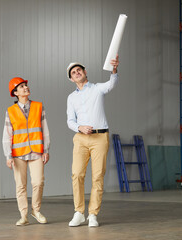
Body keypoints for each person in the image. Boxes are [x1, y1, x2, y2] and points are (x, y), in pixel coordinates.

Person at [66, 55, 119, 227]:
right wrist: (79, 128)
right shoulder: (71, 98)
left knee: (97, 176)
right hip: (81, 139)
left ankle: (93, 214)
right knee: (77, 174)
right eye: (73, 73)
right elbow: (70, 121)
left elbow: (111, 84)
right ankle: (79, 212)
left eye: (79, 70)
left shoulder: (97, 89)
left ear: (85, 72)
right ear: (71, 78)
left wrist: (114, 69)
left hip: (100, 138)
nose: (77, 73)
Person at [2, 77, 50, 226]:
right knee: (21, 185)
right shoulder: (10, 111)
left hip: (36, 151)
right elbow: (7, 134)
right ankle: (23, 215)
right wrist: (8, 155)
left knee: (38, 182)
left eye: (26, 85)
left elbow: (45, 130)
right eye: (21, 86)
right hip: (18, 154)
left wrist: (46, 149)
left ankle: (36, 210)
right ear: (15, 93)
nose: (25, 88)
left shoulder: (38, 106)